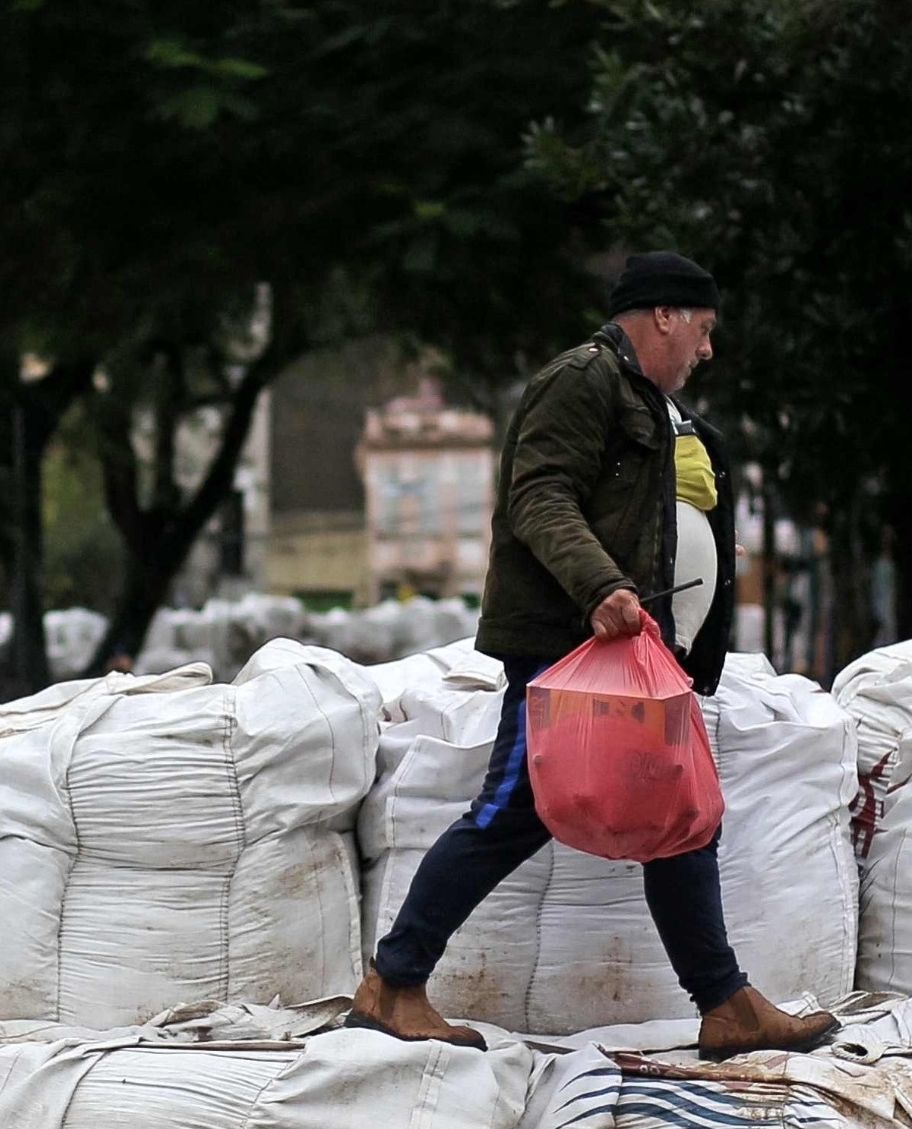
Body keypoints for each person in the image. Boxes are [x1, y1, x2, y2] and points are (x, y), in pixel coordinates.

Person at [351, 251, 839, 1056]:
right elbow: (539, 495)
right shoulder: (582, 379)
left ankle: (724, 1003)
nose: (706, 351)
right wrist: (600, 586)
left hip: (632, 660)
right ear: (664, 316)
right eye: (704, 330)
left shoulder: (649, 401)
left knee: (679, 814)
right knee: (511, 811)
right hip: (566, 651)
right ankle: (392, 983)